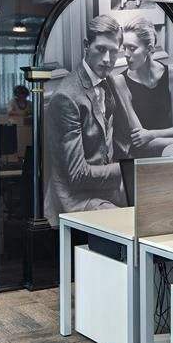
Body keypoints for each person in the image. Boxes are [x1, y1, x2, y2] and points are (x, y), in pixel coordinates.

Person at [44, 14, 127, 226]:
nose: (107, 59)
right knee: (127, 226)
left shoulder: (109, 82)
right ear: (86, 46)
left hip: (104, 190)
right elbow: (78, 175)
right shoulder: (66, 97)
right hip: (74, 199)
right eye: (101, 49)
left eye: (113, 51)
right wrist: (128, 170)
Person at [109, 17, 173, 157]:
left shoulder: (171, 74)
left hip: (171, 151)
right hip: (143, 155)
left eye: (132, 48)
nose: (126, 54)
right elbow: (141, 140)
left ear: (149, 49)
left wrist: (151, 134)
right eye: (124, 48)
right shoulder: (120, 82)